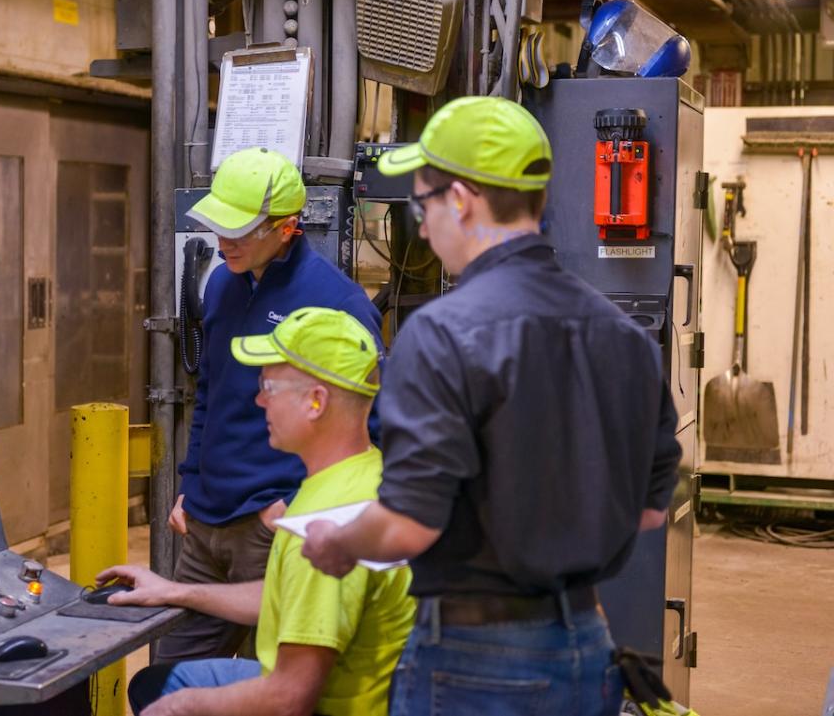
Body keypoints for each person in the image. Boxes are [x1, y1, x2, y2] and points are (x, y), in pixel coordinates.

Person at [300, 97, 683, 716]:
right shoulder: (625, 336)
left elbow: (407, 524)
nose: (424, 229)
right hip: (590, 647)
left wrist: (338, 543)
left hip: (475, 664)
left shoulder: (441, 333)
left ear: (460, 200)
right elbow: (648, 512)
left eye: (423, 206)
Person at [98, 307, 414, 716]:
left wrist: (184, 707)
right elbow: (292, 599)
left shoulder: (324, 525)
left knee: (167, 698)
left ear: (316, 402)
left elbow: (289, 698)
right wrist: (176, 591)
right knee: (154, 683)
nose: (259, 399)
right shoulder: (365, 473)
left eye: (269, 386)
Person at [160, 147, 382, 663]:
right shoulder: (221, 284)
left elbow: (371, 423)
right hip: (204, 522)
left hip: (272, 525)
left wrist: (293, 507)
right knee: (168, 679)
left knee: (276, 680)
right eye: (219, 227)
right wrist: (190, 483)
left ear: (286, 228)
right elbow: (210, 392)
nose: (224, 243)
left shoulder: (337, 304)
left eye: (239, 231)